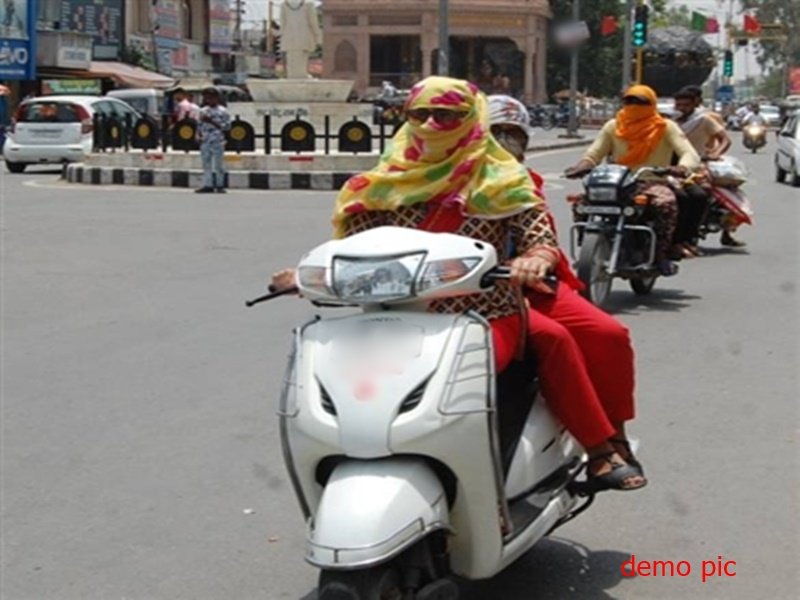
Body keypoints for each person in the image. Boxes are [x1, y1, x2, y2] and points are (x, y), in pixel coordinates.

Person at [272, 77, 646, 492]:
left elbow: (538, 234)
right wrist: (307, 272)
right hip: (400, 308)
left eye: (446, 115)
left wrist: (535, 258)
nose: (432, 125)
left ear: (470, 121)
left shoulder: (502, 178)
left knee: (582, 335)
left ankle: (604, 444)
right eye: (421, 114)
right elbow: (350, 248)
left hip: (489, 301)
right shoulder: (380, 183)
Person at [487, 94, 645, 491]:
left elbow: (542, 238)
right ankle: (597, 448)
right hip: (469, 295)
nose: (505, 143)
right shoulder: (416, 179)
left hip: (531, 286)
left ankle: (615, 437)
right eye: (495, 133)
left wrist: (536, 259)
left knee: (609, 334)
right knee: (555, 341)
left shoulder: (523, 183)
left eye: (513, 134)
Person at [565, 84, 701, 276]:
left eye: (640, 102)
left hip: (651, 181)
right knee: (580, 203)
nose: (633, 105)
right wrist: (582, 166)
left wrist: (682, 167)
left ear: (652, 103)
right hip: (617, 182)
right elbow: (594, 153)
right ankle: (589, 247)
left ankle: (660, 253)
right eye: (629, 101)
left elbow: (688, 153)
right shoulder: (613, 126)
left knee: (666, 204)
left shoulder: (665, 127)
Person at [671, 86, 733, 256]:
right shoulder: (670, 122)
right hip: (670, 166)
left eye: (686, 105)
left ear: (694, 105)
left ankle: (689, 237)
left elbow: (725, 139)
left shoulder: (704, 120)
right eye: (679, 105)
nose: (682, 108)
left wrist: (715, 154)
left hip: (696, 165)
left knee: (700, 196)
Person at [195, 86, 231, 194]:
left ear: (217, 98)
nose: (209, 100)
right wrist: (197, 135)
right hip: (205, 140)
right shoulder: (203, 111)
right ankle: (208, 184)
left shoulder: (223, 111)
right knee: (206, 164)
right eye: (207, 98)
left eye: (211, 98)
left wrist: (211, 121)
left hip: (217, 140)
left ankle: (220, 185)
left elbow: (227, 127)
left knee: (218, 164)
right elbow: (199, 125)